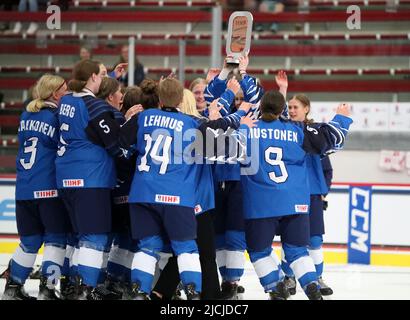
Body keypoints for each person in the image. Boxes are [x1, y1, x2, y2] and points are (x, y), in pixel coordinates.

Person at [118, 78, 254, 300]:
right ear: (181, 100)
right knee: (187, 248)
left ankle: (139, 293)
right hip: (179, 196)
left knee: (147, 248)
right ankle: (193, 292)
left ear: (160, 99)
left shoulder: (143, 117)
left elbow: (121, 142)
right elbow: (223, 140)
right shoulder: (191, 124)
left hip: (143, 192)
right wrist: (239, 117)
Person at [237, 90, 352, 300]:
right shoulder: (298, 129)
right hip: (295, 203)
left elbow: (215, 149)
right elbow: (331, 138)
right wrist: (342, 116)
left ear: (260, 108)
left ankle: (276, 285)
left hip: (261, 203)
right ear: (283, 110)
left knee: (259, 251)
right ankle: (312, 287)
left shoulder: (248, 130)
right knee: (298, 251)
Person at [150, 90, 231, 300]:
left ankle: (161, 291)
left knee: (187, 248)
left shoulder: (166, 125)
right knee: (203, 250)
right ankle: (210, 295)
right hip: (197, 196)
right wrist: (218, 119)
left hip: (173, 194)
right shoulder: (197, 124)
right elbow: (221, 151)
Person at [55, 59, 124, 300]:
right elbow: (115, 143)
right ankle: (85, 289)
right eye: (101, 76)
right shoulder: (93, 105)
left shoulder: (65, 100)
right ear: (93, 77)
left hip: (65, 178)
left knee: (77, 237)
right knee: (93, 237)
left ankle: (73, 285)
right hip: (90, 178)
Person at [2, 74, 70, 300]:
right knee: (56, 239)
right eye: (65, 89)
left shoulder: (25, 115)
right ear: (54, 93)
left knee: (29, 242)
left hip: (23, 189)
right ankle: (47, 290)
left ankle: (12, 288)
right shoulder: (57, 116)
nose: (68, 92)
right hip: (48, 189)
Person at [281, 94, 335, 296]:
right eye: (290, 107)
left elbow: (327, 170)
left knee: (314, 240)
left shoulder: (316, 135)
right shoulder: (283, 132)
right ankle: (288, 277)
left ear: (307, 109)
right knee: (291, 239)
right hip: (291, 194)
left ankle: (317, 277)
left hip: (312, 195)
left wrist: (323, 192)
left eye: (296, 107)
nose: (292, 110)